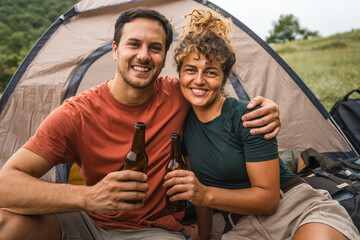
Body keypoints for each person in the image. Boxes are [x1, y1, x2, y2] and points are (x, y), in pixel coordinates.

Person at [0, 7, 280, 240]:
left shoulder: (179, 94)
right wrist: (89, 197)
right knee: (6, 221)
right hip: (87, 222)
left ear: (164, 58)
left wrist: (265, 108)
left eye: (155, 48)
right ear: (114, 50)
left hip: (154, 230)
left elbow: (213, 96)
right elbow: (5, 185)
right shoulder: (77, 114)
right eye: (134, 44)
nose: (144, 55)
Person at [163, 8, 360, 240]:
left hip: (294, 208)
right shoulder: (181, 123)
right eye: (190, 70)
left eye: (211, 72)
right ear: (179, 75)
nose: (198, 80)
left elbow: (267, 201)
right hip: (241, 227)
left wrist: (203, 194)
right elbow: (200, 195)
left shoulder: (248, 116)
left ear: (224, 78)